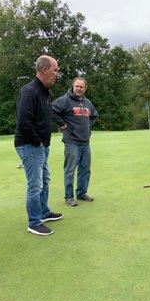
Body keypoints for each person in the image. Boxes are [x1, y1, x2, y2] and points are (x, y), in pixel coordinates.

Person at [15, 55, 63, 236]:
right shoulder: (29, 91)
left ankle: (43, 212)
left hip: (41, 146)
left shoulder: (45, 92)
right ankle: (34, 223)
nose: (57, 74)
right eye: (55, 70)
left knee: (44, 180)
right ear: (44, 70)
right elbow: (23, 122)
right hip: (30, 144)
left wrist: (44, 143)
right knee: (35, 185)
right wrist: (39, 142)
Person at [52, 77, 99, 206]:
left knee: (85, 169)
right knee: (70, 170)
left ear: (85, 89)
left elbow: (95, 115)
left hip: (85, 142)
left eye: (81, 87)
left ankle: (82, 193)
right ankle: (69, 197)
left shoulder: (87, 102)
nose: (78, 88)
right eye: (76, 86)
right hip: (71, 142)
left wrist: (88, 126)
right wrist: (62, 123)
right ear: (73, 86)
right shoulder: (64, 100)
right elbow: (51, 111)